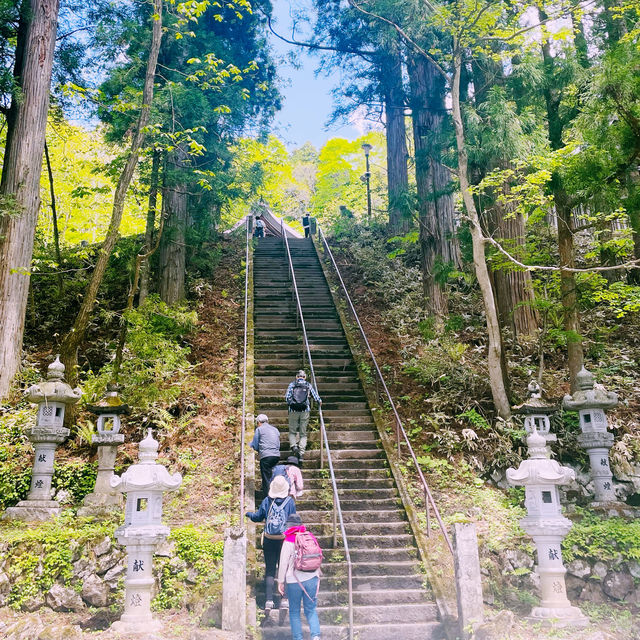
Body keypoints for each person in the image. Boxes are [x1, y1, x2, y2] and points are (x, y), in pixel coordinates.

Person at [245, 475, 297, 612]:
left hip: (269, 539)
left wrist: (248, 514)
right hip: (284, 540)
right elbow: (293, 522)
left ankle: (269, 601)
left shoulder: (267, 501)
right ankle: (284, 599)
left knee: (269, 569)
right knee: (284, 569)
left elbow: (257, 517)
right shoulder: (290, 502)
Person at [277, 514, 321, 640]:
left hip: (294, 580)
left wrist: (280, 581)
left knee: (294, 611)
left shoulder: (288, 540)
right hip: (312, 577)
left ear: (288, 525)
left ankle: (298, 638)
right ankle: (316, 636)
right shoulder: (309, 536)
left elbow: (283, 562)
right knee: (311, 609)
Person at [285, 370, 321, 464]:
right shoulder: (308, 385)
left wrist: (292, 405)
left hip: (293, 411)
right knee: (303, 433)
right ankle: (301, 453)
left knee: (292, 431)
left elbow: (286, 398)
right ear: (304, 377)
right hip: (305, 411)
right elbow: (315, 397)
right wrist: (319, 401)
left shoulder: (292, 385)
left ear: (297, 377)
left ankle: (294, 446)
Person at [250, 414, 280, 497]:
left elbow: (255, 445)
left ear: (259, 422)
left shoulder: (259, 429)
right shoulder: (275, 429)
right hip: (276, 456)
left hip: (266, 456)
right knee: (272, 475)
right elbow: (278, 443)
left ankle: (268, 498)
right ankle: (276, 493)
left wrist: (255, 448)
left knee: (266, 478)